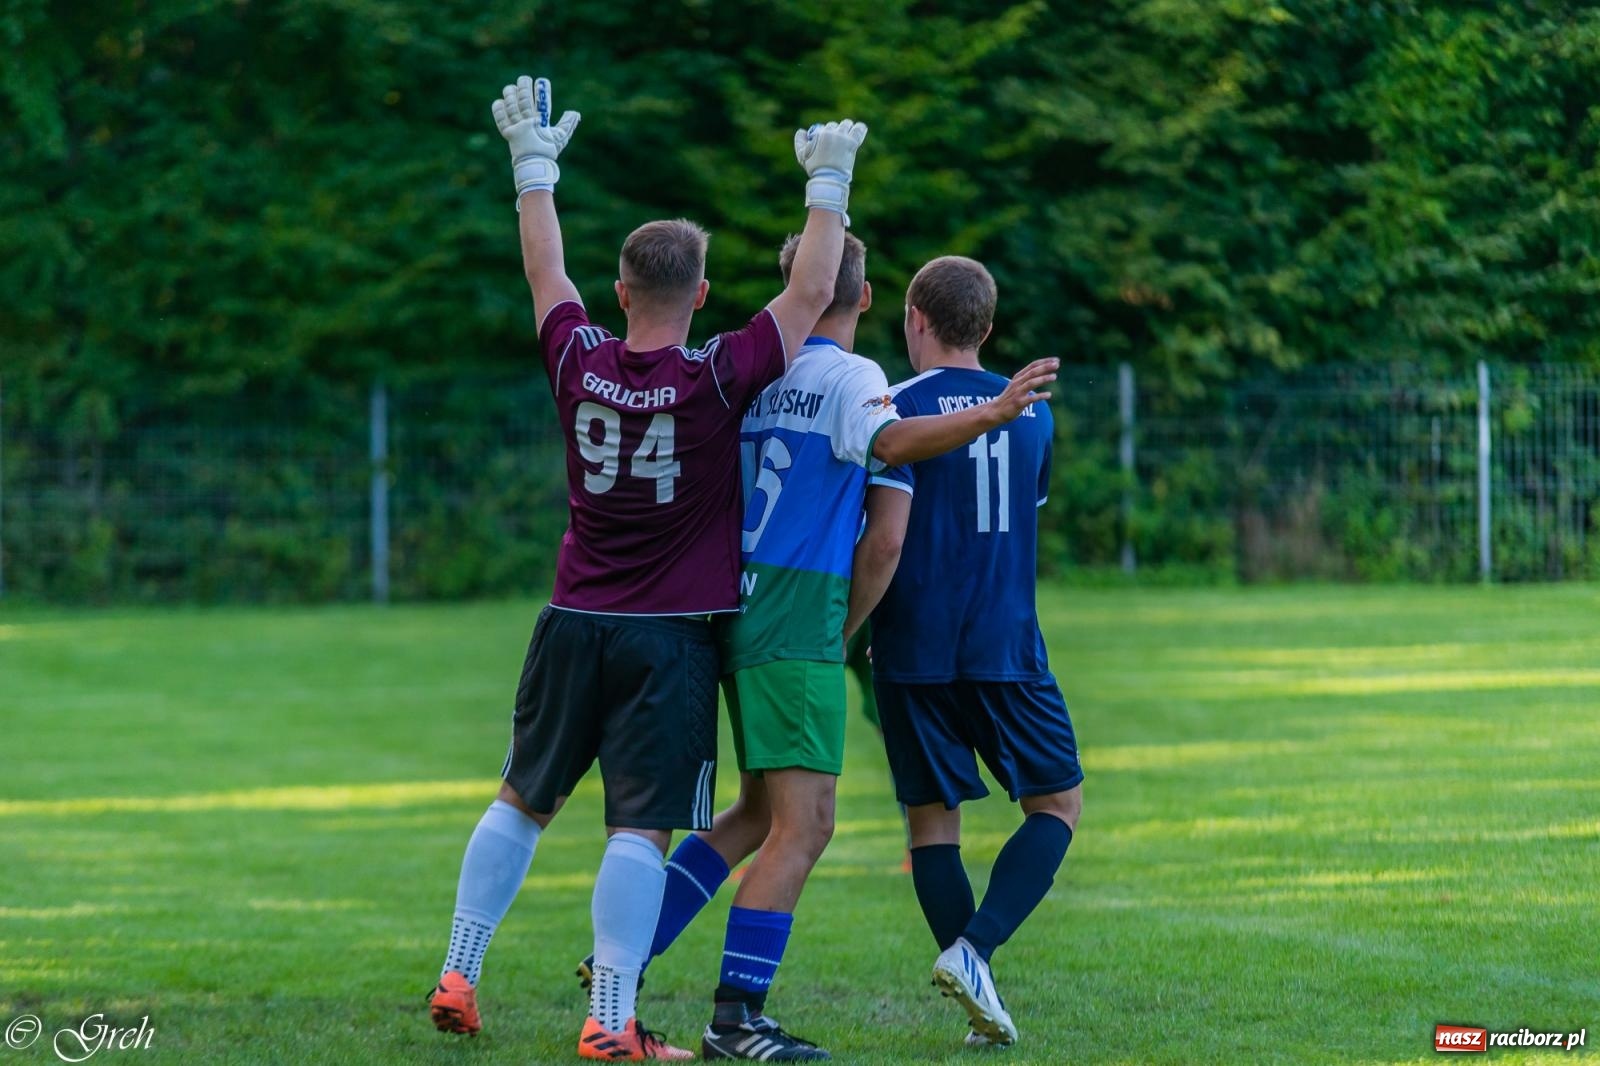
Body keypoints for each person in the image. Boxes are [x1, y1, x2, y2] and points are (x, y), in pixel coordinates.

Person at [426, 74, 869, 1062]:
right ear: (702, 295)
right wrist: (827, 183)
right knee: (642, 828)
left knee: (521, 798)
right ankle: (610, 1021)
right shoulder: (716, 373)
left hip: (572, 616)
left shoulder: (577, 357)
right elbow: (808, 291)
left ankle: (460, 966)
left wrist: (531, 166)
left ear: (620, 290)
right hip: (669, 637)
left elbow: (545, 273)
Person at [619, 234, 1058, 1061]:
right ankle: (735, 1019)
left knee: (755, 813)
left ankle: (623, 960)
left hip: (736, 607)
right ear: (864, 300)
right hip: (803, 614)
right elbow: (886, 515)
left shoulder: (748, 371)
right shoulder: (861, 384)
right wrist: (842, 631)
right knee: (807, 826)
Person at [851, 255, 1085, 1049]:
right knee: (1057, 805)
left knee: (931, 825)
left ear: (914, 318)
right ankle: (975, 954)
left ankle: (973, 973)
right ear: (986, 329)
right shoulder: (1034, 413)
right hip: (1004, 641)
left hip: (910, 645)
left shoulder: (891, 407)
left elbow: (882, 533)